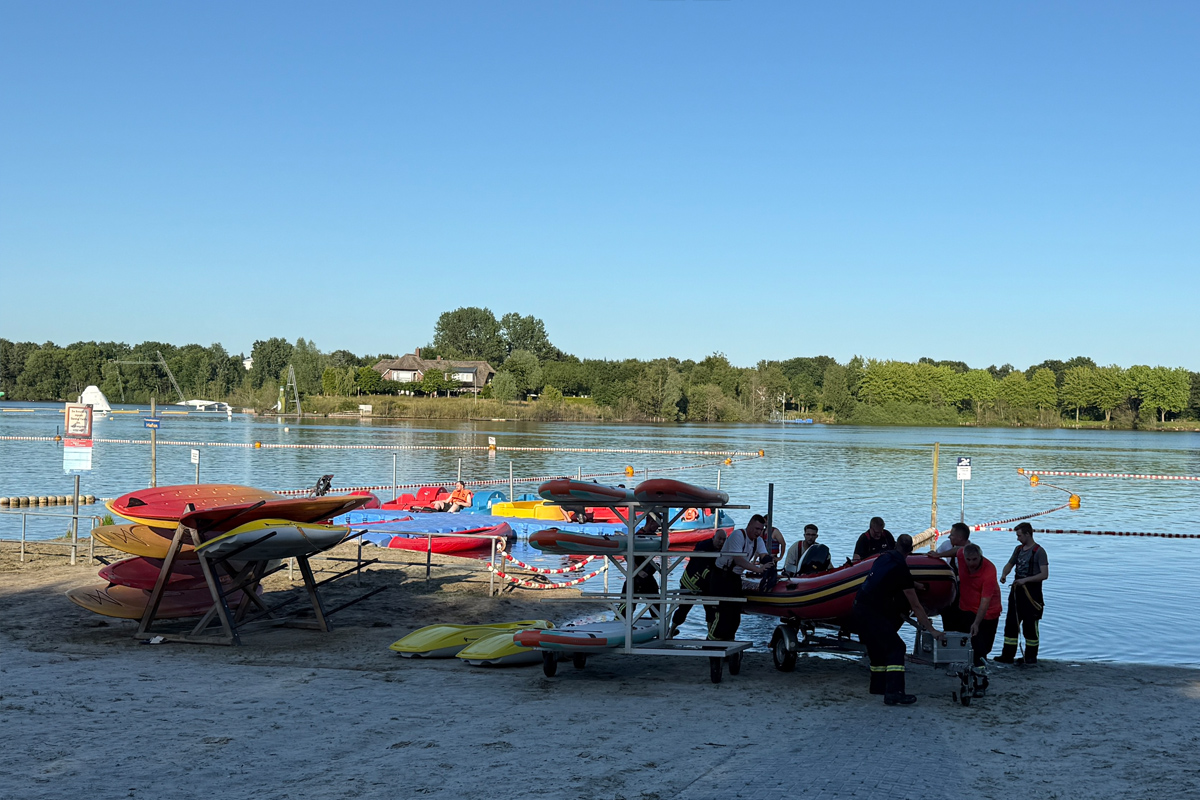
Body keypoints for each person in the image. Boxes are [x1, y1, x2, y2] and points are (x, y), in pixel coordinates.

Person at [853, 533, 943, 705]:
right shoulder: (901, 568)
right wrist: (931, 630)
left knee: (876, 646)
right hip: (873, 611)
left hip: (859, 607)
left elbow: (891, 580)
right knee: (897, 647)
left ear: (895, 546)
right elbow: (915, 606)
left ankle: (878, 686)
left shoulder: (883, 559)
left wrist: (914, 584)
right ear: (910, 550)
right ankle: (894, 692)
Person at [707, 514, 768, 641]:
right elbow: (739, 559)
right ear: (749, 525)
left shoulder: (759, 541)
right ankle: (710, 646)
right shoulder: (738, 535)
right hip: (720, 577)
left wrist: (769, 565)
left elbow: (764, 556)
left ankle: (729, 644)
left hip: (735, 577)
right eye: (756, 528)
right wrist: (758, 569)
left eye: (761, 529)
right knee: (722, 615)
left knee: (735, 616)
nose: (758, 532)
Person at [996, 522, 1049, 665]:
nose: (1018, 538)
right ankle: (1007, 656)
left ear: (1027, 534)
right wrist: (1004, 574)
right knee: (1011, 624)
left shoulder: (1039, 551)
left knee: (1030, 626)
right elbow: (1010, 564)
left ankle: (1030, 657)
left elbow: (1044, 574)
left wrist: (1025, 580)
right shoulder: (1018, 550)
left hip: (1032, 594)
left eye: (1019, 535)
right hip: (1017, 591)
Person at [956, 543, 1002, 694]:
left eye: (974, 559)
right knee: (971, 646)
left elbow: (985, 601)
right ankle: (971, 677)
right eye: (968, 560)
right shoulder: (961, 556)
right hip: (966, 608)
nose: (971, 563)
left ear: (980, 557)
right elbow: (957, 550)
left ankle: (980, 676)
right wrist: (938, 555)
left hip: (988, 612)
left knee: (984, 648)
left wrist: (977, 623)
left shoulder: (989, 570)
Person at [669, 529, 728, 636]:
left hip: (707, 585)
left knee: (711, 611)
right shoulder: (702, 546)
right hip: (690, 582)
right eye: (720, 539)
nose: (721, 542)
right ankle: (670, 631)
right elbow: (701, 564)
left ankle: (710, 636)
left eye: (724, 540)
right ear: (713, 537)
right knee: (683, 609)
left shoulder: (724, 550)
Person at [931, 522, 974, 632]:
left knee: (963, 616)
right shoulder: (946, 545)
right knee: (947, 613)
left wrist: (940, 555)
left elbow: (959, 551)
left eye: (952, 535)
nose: (949, 537)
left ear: (960, 537)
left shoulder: (971, 551)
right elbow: (935, 555)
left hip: (965, 588)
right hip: (950, 585)